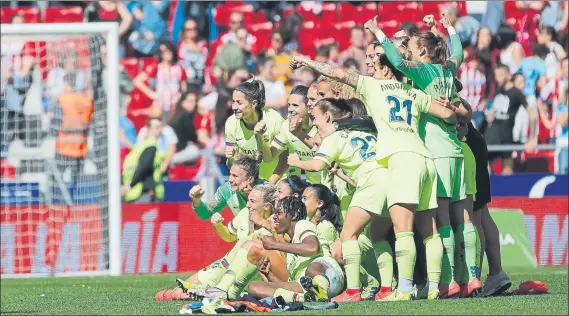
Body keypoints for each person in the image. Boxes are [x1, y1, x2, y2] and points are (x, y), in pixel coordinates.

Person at [368, 14, 481, 297]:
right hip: (458, 152)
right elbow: (458, 52)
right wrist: (449, 27)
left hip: (436, 152)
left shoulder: (424, 71)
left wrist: (378, 32)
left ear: (422, 52)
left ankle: (449, 280)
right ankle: (473, 278)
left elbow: (397, 62)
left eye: (414, 46)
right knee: (464, 221)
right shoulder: (447, 70)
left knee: (441, 223)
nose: (409, 49)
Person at [285, 98, 390, 302]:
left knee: (347, 236)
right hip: (388, 180)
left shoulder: (334, 137)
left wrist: (297, 161)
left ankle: (353, 292)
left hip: (370, 182)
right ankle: (387, 288)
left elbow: (317, 165)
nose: (314, 123)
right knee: (379, 236)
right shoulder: (364, 131)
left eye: (315, 118)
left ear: (328, 116)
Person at [163, 183, 279, 301]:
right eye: (248, 200)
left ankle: (217, 289)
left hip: (250, 278)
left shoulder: (276, 224)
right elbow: (229, 236)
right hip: (226, 267)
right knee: (176, 292)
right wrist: (218, 225)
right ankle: (213, 287)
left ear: (267, 207)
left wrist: (264, 223)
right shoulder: (244, 213)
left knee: (247, 243)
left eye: (252, 201)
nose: (248, 205)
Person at [257, 85, 319, 184]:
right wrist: (260, 137)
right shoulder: (286, 126)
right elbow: (269, 158)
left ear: (309, 107)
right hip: (306, 188)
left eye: (295, 105)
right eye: (289, 105)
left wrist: (298, 163)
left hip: (329, 186)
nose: (290, 109)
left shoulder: (321, 126)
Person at [225, 78, 284, 181]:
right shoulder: (231, 123)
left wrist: (269, 184)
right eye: (233, 102)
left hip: (278, 180)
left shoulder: (274, 119)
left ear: (253, 103)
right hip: (253, 183)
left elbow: (283, 159)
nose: (234, 107)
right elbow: (233, 166)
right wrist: (230, 158)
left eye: (239, 102)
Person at [484, 65, 528, 175]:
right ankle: (489, 189)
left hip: (506, 134)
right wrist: (489, 115)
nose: (497, 78)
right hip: (493, 133)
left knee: (507, 165)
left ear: (508, 76)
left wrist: (532, 138)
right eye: (496, 76)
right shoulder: (498, 91)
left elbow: (531, 112)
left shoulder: (516, 93)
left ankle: (506, 190)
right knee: (482, 159)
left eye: (500, 75)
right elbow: (493, 109)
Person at [189, 156, 265, 219]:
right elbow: (205, 213)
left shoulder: (266, 191)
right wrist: (196, 200)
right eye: (230, 174)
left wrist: (251, 194)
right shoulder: (226, 190)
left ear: (249, 179)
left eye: (235, 176)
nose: (230, 179)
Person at [51, 73, 94, 185]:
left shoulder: (62, 99)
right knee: (77, 182)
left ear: (65, 83)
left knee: (56, 180)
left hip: (64, 147)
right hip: (80, 147)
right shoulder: (87, 100)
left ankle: (58, 201)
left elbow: (55, 124)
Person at [133, 40, 188, 122]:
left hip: (174, 104)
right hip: (160, 103)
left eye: (168, 50)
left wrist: (181, 100)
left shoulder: (179, 68)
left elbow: (184, 88)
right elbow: (137, 81)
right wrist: (152, 94)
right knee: (156, 124)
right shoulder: (156, 67)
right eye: (163, 51)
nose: (167, 53)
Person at [121, 117, 166, 203]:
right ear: (148, 129)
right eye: (157, 127)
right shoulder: (151, 146)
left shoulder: (139, 146)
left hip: (131, 193)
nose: (160, 130)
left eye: (161, 127)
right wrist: (129, 185)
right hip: (143, 191)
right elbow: (144, 167)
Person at [168, 91, 201, 165]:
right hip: (177, 151)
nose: (194, 104)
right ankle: (171, 160)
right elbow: (192, 136)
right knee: (195, 150)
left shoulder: (176, 113)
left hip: (173, 149)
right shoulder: (185, 115)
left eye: (195, 101)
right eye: (190, 101)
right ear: (182, 102)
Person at [178, 17, 209, 91]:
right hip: (187, 82)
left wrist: (208, 83)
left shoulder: (203, 44)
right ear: (184, 31)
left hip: (202, 82)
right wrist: (183, 82)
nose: (193, 31)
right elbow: (180, 66)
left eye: (195, 28)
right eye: (189, 29)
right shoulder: (182, 46)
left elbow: (207, 65)